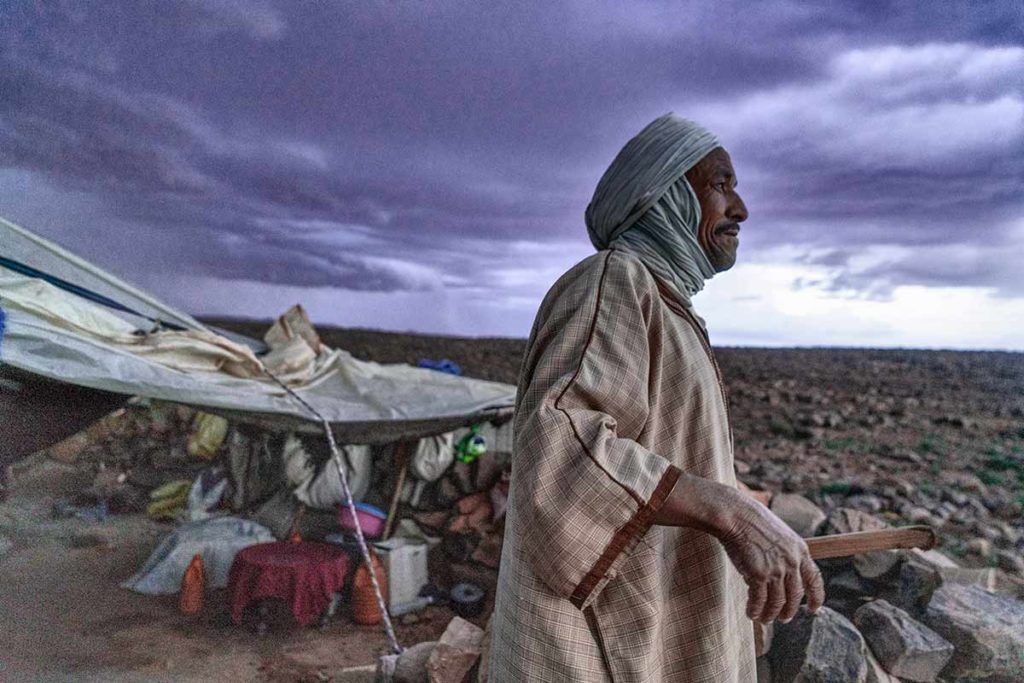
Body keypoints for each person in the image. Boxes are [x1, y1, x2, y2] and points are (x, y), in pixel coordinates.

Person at [489, 113, 825, 682]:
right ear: (662, 196)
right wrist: (733, 513)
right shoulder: (614, 281)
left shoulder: (668, 307)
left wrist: (740, 505)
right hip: (602, 643)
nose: (740, 208)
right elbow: (564, 448)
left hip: (655, 610)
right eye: (720, 185)